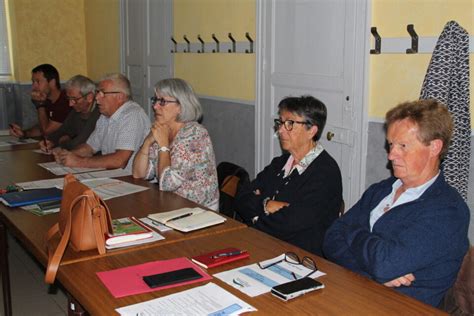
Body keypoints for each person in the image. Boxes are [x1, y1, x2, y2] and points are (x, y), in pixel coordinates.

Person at [323, 99, 470, 307]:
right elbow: (330, 239)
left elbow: (385, 263)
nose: (391, 155)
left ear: (434, 147)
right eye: (391, 144)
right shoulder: (382, 189)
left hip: (400, 308)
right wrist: (374, 274)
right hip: (355, 294)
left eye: (403, 146)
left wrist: (351, 231)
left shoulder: (448, 210)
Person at [234, 96, 342, 256]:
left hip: (301, 259)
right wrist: (267, 204)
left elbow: (290, 224)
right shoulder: (280, 163)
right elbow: (242, 196)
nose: (280, 130)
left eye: (290, 124)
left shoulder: (325, 173)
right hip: (266, 246)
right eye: (280, 123)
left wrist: (255, 217)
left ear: (311, 130)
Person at [132, 78, 219, 210]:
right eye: (155, 100)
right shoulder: (163, 129)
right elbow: (139, 174)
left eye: (162, 101)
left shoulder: (195, 134)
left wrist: (163, 145)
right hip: (170, 206)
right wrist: (147, 142)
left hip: (198, 212)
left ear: (181, 106)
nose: (155, 106)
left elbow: (167, 184)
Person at [53, 73, 150, 171]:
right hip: (113, 176)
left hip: (132, 180)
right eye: (97, 92)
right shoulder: (105, 116)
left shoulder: (132, 115)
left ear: (120, 97)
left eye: (103, 93)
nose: (97, 98)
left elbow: (119, 160)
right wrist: (67, 155)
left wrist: (78, 161)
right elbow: (89, 148)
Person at [39, 75, 100, 152]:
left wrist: (62, 142)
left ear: (89, 97)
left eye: (74, 99)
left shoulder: (99, 113)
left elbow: (78, 143)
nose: (70, 104)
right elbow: (62, 131)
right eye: (69, 99)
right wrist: (50, 142)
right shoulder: (76, 111)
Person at [9, 64, 71, 138]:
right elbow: (42, 126)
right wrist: (24, 133)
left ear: (52, 82)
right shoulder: (48, 99)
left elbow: (46, 132)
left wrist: (40, 105)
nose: (34, 86)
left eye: (38, 82)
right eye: (33, 82)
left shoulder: (65, 101)